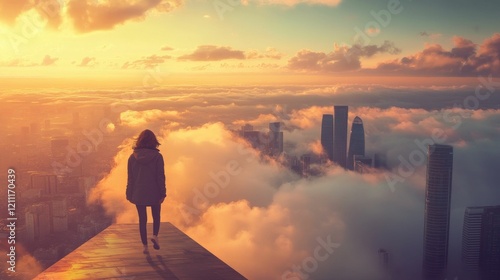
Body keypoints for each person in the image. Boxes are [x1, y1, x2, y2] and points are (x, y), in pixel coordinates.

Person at [126, 129, 166, 254]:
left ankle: (145, 246)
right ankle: (155, 236)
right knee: (156, 215)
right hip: (154, 191)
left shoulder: (132, 158)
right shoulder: (158, 157)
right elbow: (160, 176)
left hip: (138, 192)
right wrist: (163, 192)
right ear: (154, 142)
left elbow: (130, 177)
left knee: (142, 219)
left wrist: (129, 193)